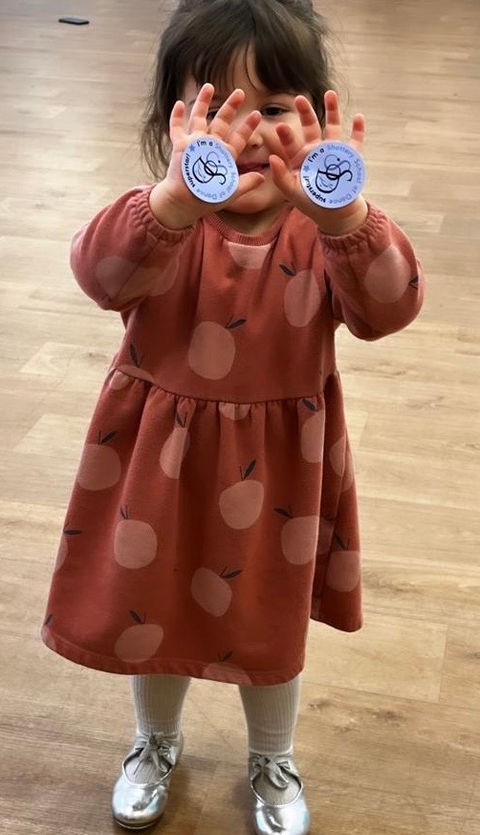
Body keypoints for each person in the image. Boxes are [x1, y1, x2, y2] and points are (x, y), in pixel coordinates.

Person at [41, 0, 424, 832]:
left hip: (278, 473)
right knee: (151, 605)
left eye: (275, 107)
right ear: (173, 122)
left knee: (268, 615)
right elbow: (99, 274)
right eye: (222, 108)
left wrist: (346, 217)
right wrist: (172, 203)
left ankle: (272, 755)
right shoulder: (159, 226)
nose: (249, 132)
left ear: (316, 118)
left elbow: (389, 308)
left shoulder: (325, 235)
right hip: (159, 466)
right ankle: (154, 741)